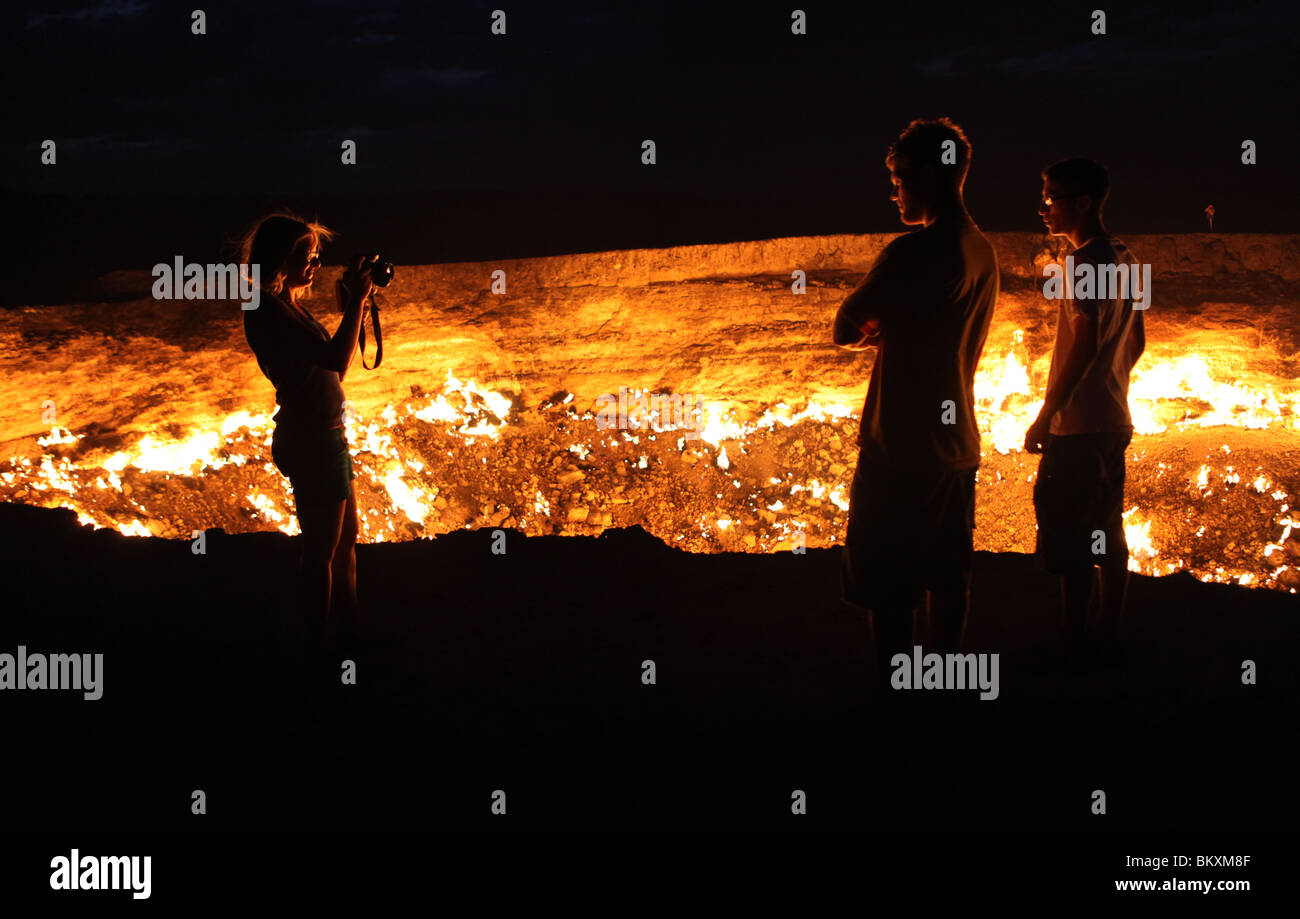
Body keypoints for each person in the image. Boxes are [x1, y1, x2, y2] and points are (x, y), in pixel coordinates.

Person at [833, 118, 999, 680]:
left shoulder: (913, 250)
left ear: (928, 174)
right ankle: (945, 680)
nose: (894, 190)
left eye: (900, 177)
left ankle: (896, 695)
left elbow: (844, 327)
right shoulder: (981, 250)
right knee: (947, 575)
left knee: (889, 583)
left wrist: (880, 328)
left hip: (899, 443)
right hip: (956, 443)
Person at [1024, 158, 1145, 664]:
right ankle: (1108, 628)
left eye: (1051, 197)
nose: (1043, 207)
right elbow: (1136, 341)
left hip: (1080, 423)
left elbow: (1085, 342)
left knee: (1070, 531)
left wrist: (1048, 411)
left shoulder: (1083, 265)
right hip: (1113, 415)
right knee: (1106, 526)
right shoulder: (1128, 259)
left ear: (1082, 203)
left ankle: (1075, 638)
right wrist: (1112, 384)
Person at [240, 212, 375, 652]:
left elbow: (338, 366)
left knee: (346, 541)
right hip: (311, 438)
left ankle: (348, 629)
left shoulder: (289, 304)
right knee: (320, 551)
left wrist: (357, 301)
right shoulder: (266, 308)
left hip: (327, 434)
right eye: (304, 253)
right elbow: (336, 358)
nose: (315, 262)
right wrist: (356, 301)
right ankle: (319, 645)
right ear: (276, 257)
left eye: (316, 254)